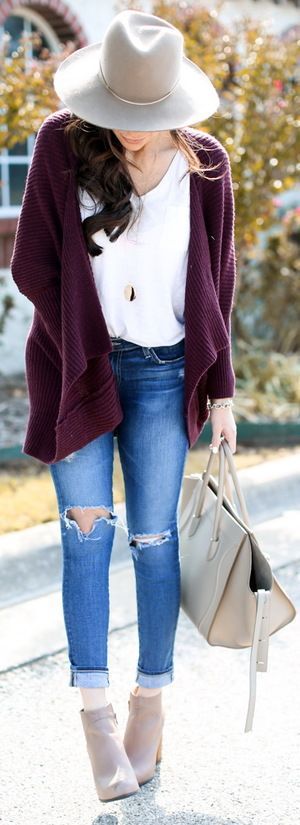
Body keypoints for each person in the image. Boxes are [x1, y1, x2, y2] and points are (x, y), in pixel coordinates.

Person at [10, 9, 237, 805]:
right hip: (80, 368)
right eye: (121, 117)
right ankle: (95, 713)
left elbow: (218, 282)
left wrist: (223, 389)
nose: (131, 134)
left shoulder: (206, 165)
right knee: (85, 536)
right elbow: (33, 263)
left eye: (145, 119)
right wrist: (83, 330)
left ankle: (150, 699)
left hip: (166, 372)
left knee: (152, 538)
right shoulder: (59, 144)